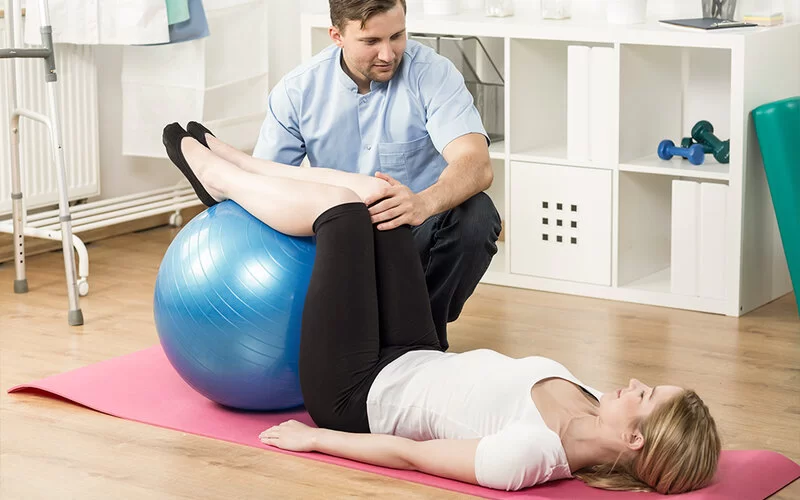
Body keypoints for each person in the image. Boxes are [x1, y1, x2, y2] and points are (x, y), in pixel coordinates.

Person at [163, 122, 722, 494]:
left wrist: (316, 438)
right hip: (416, 353)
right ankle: (241, 162)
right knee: (382, 199)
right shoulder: (598, 403)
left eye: (646, 396)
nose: (633, 381)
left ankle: (223, 182)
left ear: (633, 441)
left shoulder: (527, 457)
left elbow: (410, 456)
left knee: (341, 216)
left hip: (357, 393)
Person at [249, 0, 503, 351]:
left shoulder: (433, 73)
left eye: (397, 36)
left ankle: (418, 341)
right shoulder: (297, 91)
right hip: (337, 241)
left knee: (478, 215)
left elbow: (476, 163)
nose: (388, 53)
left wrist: (422, 203)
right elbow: (266, 184)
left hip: (416, 232)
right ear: (337, 36)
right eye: (371, 42)